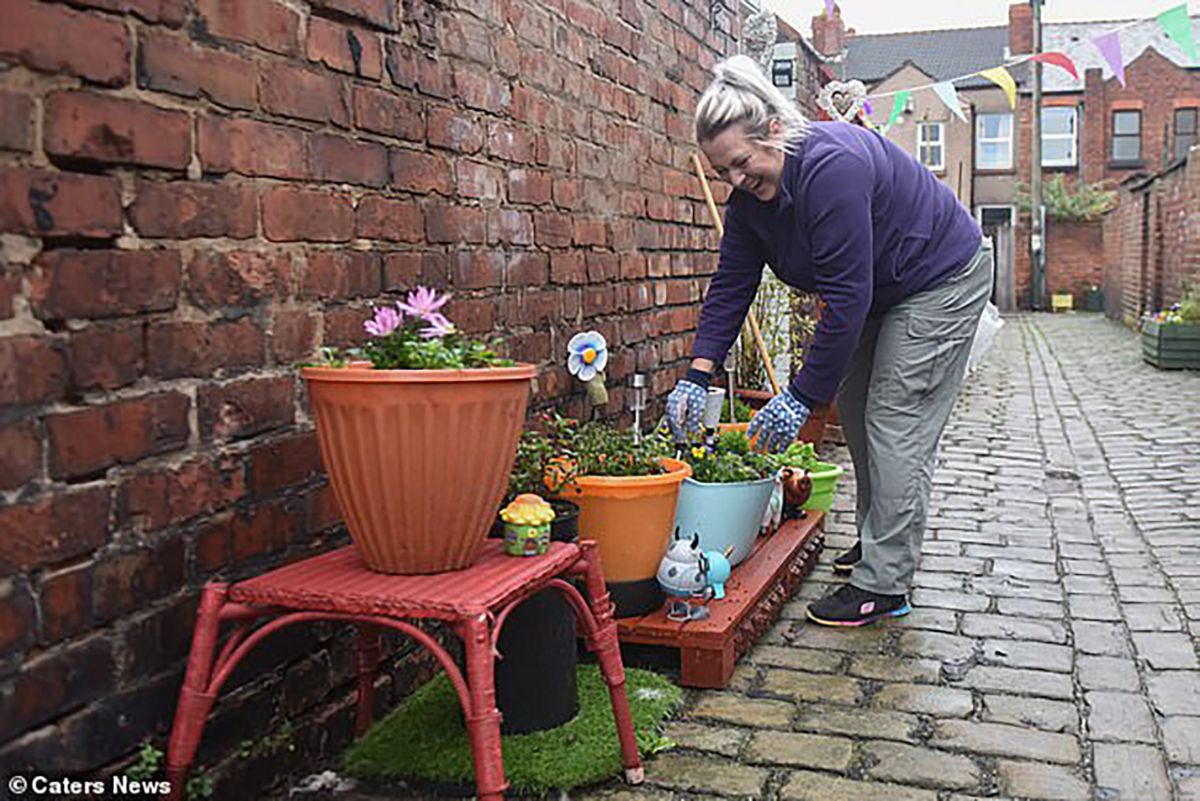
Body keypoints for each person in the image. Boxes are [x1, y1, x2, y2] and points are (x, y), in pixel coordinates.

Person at [666, 55, 993, 627]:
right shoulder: (749, 205)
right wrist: (698, 374)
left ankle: (885, 584)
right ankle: (877, 543)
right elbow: (730, 288)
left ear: (773, 131)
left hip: (942, 276)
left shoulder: (830, 167)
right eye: (724, 173)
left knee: (895, 420)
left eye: (741, 164)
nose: (737, 183)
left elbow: (846, 298)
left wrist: (800, 396)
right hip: (882, 289)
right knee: (863, 410)